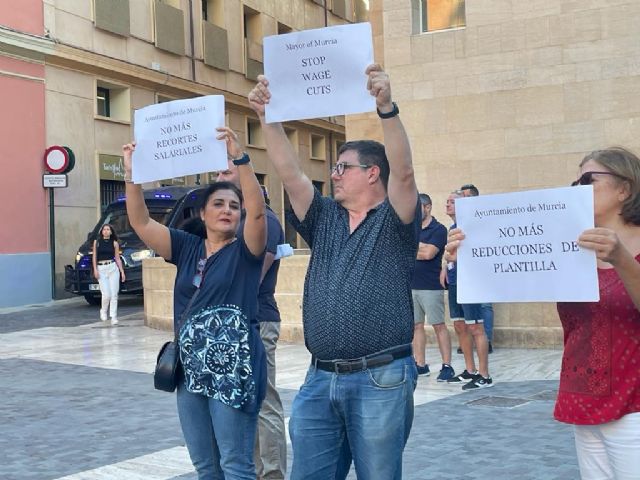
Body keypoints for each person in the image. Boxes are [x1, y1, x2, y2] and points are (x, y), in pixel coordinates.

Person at [247, 64, 420, 479]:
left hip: (381, 378)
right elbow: (290, 175)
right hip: (319, 379)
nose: (334, 174)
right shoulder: (324, 217)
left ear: (373, 173)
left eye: (344, 168)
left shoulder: (394, 219)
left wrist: (386, 109)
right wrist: (265, 117)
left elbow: (406, 173)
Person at [445, 147, 640, 479]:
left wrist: (622, 259)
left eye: (589, 180)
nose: (579, 188)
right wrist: (469, 255)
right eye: (575, 182)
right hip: (585, 392)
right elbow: (510, 271)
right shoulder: (569, 244)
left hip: (633, 398)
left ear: (625, 188)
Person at [122, 126, 268, 480]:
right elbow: (141, 222)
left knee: (236, 464)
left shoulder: (246, 251)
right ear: (202, 213)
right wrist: (131, 175)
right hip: (190, 371)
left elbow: (259, 214)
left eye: (234, 206)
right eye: (218, 204)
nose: (227, 210)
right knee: (205, 465)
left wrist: (242, 160)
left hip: (234, 370)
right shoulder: (186, 247)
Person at [216, 159, 288, 480]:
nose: (218, 177)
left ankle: (271, 474)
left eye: (225, 172)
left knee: (264, 402)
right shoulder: (234, 222)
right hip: (233, 322)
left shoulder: (265, 221)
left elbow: (252, 277)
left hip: (257, 321)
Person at [440, 191, 493, 390]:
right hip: (455, 282)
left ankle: (484, 374)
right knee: (460, 326)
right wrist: (445, 267)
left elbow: (479, 255)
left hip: (471, 282)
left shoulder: (473, 227)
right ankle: (469, 370)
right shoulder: (453, 227)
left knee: (476, 328)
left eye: (452, 202)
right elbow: (450, 255)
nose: (447, 205)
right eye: (447, 201)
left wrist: (454, 259)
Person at [411, 193, 455, 381]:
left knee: (438, 325)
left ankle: (447, 365)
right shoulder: (411, 229)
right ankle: (420, 364)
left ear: (427, 207)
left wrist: (414, 248)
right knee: (416, 326)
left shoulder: (438, 229)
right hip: (411, 284)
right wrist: (418, 248)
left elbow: (429, 254)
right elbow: (404, 251)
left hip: (431, 286)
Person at [460, 183, 494, 354]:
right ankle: (468, 341)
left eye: (466, 196)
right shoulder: (461, 219)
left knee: (485, 305)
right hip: (467, 270)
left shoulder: (485, 217)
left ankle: (486, 340)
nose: (463, 199)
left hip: (484, 267)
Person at [92, 223, 125, 325]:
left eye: (108, 229)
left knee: (114, 294)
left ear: (111, 232)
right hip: (101, 268)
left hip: (112, 268)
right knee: (106, 294)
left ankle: (113, 316)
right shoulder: (96, 242)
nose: (106, 231)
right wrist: (95, 270)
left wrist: (122, 271)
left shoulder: (114, 243)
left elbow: (117, 258)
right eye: (104, 229)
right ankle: (103, 310)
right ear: (101, 231)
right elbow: (94, 257)